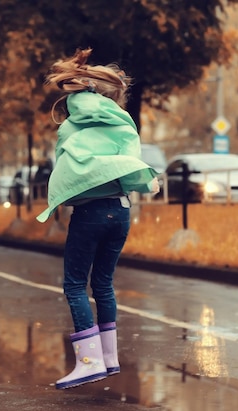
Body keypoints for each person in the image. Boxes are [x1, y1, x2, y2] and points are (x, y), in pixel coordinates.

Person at [36, 48, 160, 389]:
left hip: (90, 213)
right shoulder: (124, 122)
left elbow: (66, 167)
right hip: (121, 211)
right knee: (103, 284)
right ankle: (109, 358)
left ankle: (88, 363)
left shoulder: (73, 125)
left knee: (75, 285)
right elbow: (130, 162)